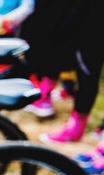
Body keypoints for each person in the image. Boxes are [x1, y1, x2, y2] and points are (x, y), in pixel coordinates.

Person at [22, 0, 104, 143]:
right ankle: (76, 126)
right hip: (85, 16)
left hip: (93, 22)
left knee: (88, 73)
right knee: (60, 49)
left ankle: (76, 129)